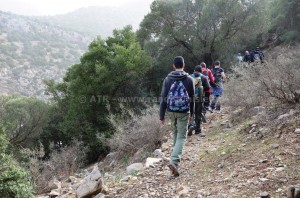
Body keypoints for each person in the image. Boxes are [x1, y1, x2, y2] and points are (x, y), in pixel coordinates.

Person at [160, 56, 194, 177]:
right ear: (183, 65)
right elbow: (192, 98)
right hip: (184, 111)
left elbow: (163, 98)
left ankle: (174, 161)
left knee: (175, 133)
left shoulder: (167, 79)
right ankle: (174, 161)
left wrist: (161, 116)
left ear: (173, 66)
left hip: (171, 111)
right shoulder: (189, 79)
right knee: (181, 136)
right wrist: (192, 113)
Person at [188, 65, 210, 137]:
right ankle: (197, 129)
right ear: (201, 71)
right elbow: (207, 88)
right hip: (199, 98)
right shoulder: (203, 77)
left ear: (194, 70)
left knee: (191, 112)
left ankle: (190, 125)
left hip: (190, 97)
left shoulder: (189, 77)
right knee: (198, 113)